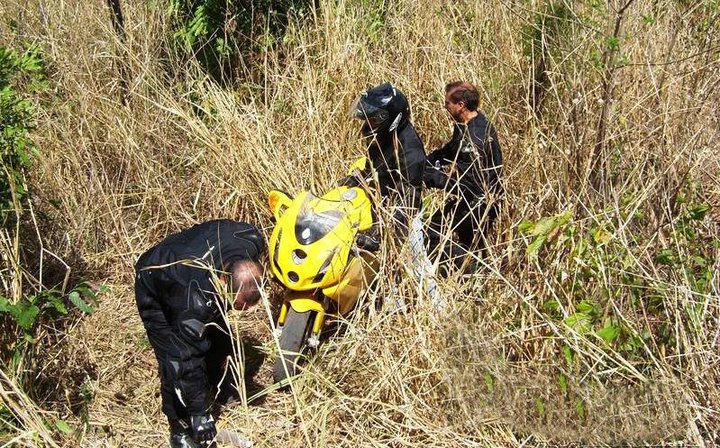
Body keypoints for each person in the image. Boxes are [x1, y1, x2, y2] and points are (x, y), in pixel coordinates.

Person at [134, 219, 265, 448]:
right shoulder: (193, 302)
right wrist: (199, 413)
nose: (242, 312)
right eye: (238, 305)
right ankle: (179, 429)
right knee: (173, 359)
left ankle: (213, 386)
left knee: (221, 339)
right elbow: (184, 360)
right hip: (155, 279)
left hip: (190, 254)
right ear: (224, 281)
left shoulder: (252, 239)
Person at [424, 81, 503, 269]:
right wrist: (428, 160)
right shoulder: (469, 123)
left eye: (447, 104)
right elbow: (453, 149)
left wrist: (432, 178)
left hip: (480, 202)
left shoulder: (474, 138)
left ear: (460, 106)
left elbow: (468, 183)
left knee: (435, 231)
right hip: (473, 197)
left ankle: (473, 273)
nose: (445, 107)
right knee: (468, 242)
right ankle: (472, 271)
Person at [346, 82, 426, 240]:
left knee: (417, 263)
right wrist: (356, 180)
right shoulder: (382, 138)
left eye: (373, 119)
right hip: (380, 205)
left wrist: (378, 234)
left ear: (390, 119)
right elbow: (374, 168)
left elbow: (408, 205)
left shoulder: (410, 153)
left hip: (403, 224)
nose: (368, 123)